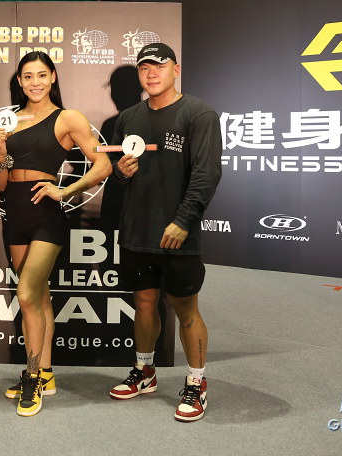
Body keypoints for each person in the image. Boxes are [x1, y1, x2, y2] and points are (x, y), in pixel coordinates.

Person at [0, 51, 111, 417]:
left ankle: (31, 378)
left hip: (46, 216)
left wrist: (66, 190)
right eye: (28, 76)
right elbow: (0, 182)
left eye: (42, 75)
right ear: (20, 81)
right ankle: (46, 373)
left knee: (26, 294)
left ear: (53, 77)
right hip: (15, 214)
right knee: (39, 297)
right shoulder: (9, 120)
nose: (35, 82)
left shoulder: (67, 118)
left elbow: (103, 164)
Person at [106, 42, 222, 423]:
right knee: (143, 304)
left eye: (159, 65)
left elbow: (207, 174)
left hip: (178, 233)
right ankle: (145, 371)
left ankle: (196, 382)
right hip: (137, 230)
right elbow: (118, 173)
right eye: (144, 67)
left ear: (176, 69)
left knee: (186, 310)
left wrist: (184, 220)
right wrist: (121, 172)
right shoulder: (128, 118)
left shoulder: (199, 114)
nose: (151, 73)